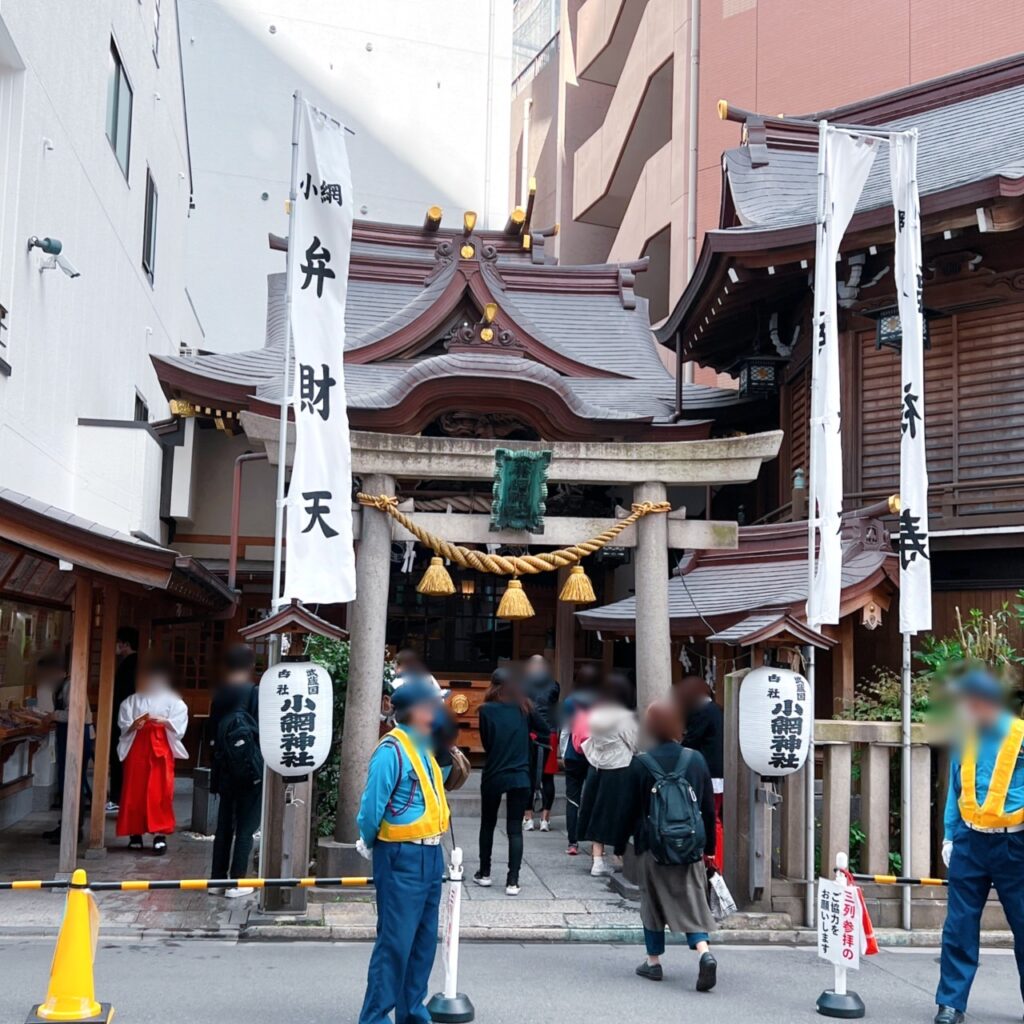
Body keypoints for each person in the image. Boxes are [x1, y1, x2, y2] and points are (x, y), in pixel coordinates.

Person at [355, 679, 450, 1024]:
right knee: (395, 943)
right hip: (401, 855)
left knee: (422, 943)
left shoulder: (424, 745)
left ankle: (412, 1014)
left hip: (429, 854)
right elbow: (370, 808)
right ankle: (376, 1017)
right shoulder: (390, 750)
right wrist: (367, 840)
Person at [934, 669, 1024, 1024]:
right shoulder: (965, 737)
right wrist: (949, 836)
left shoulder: (1020, 735)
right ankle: (950, 1003)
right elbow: (956, 790)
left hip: (1014, 842)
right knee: (959, 926)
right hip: (970, 842)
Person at [621, 699, 718, 992]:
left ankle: (653, 962)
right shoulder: (696, 759)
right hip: (689, 846)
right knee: (691, 899)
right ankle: (704, 952)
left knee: (651, 902)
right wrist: (709, 847)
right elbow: (707, 808)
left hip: (653, 846)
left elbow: (630, 810)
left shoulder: (641, 763)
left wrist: (620, 845)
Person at [475, 666, 549, 895]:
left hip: (494, 772)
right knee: (514, 829)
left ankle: (485, 873)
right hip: (520, 774)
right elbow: (546, 730)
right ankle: (512, 881)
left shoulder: (486, 710)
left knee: (487, 824)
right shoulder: (525, 707)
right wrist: (527, 738)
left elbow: (487, 743)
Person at [115, 656, 188, 854]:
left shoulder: (174, 701)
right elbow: (123, 724)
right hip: (137, 748)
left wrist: (164, 721)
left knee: (160, 792)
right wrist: (133, 725)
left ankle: (159, 834)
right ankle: (135, 833)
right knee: (134, 791)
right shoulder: (132, 701)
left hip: (160, 748)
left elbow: (179, 723)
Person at [210, 644, 263, 898]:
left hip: (224, 770)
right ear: (250, 666)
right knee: (246, 827)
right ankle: (237, 882)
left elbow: (212, 734)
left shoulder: (219, 695)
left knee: (224, 827)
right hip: (250, 771)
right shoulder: (254, 693)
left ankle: (216, 881)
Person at [578, 672, 639, 876]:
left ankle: (597, 859)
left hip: (598, 766)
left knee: (599, 812)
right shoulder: (624, 717)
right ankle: (620, 855)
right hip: (620, 768)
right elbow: (636, 743)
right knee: (621, 814)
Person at [37, 654, 93, 844]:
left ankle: (74, 829)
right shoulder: (59, 685)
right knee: (64, 781)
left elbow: (74, 713)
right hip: (65, 734)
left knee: (73, 780)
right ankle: (65, 825)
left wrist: (52, 715)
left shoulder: (71, 685)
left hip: (77, 734)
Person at [679, 674, 725, 871]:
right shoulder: (717, 710)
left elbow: (692, 740)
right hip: (720, 771)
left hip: (709, 773)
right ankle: (714, 860)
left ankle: (714, 861)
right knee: (714, 816)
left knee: (711, 817)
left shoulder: (702, 711)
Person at [561, 663, 599, 856]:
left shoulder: (570, 702)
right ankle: (596, 844)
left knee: (572, 799)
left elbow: (566, 730)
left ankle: (573, 842)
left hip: (573, 754)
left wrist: (562, 753)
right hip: (595, 755)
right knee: (594, 799)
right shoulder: (601, 701)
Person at [522, 654, 560, 833]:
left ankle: (528, 818)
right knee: (548, 777)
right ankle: (545, 819)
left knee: (528, 776)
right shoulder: (554, 685)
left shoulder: (523, 685)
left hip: (530, 733)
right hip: (550, 732)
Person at [108, 626, 139, 811]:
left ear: (125, 644)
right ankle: (120, 796)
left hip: (125, 718)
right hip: (129, 718)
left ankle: (118, 797)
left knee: (120, 757)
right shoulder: (136, 663)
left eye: (118, 642)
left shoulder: (130, 664)